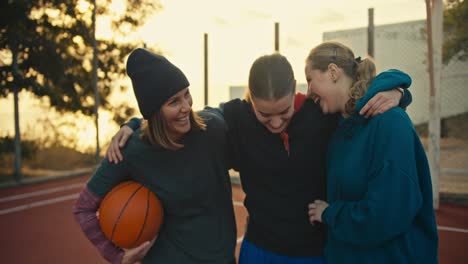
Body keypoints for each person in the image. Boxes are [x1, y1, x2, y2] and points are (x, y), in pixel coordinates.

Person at [107, 53, 411, 264]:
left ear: (296, 92)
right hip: (260, 251)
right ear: (249, 97)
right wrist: (135, 124)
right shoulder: (234, 118)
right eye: (265, 114)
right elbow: (181, 121)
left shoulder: (321, 115)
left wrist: (398, 91)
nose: (276, 122)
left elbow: (358, 102)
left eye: (284, 112)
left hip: (315, 252)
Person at [73, 48, 236, 264]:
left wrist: (132, 122)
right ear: (154, 112)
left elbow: (243, 110)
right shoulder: (131, 150)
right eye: (174, 102)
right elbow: (83, 208)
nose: (186, 107)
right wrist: (117, 256)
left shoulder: (213, 127)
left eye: (186, 94)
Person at [306, 41, 438, 263]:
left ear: (332, 72)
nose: (308, 91)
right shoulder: (340, 127)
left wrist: (330, 214)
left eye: (310, 80)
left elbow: (388, 214)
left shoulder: (389, 123)